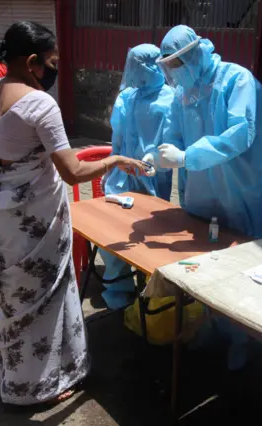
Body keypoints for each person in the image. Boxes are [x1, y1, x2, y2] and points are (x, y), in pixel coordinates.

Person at [0, 21, 148, 406]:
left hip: (3, 213)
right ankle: (36, 390)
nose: (54, 69)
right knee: (41, 305)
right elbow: (72, 171)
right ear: (31, 61)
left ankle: (14, 380)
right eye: (52, 61)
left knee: (15, 304)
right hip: (37, 223)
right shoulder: (40, 103)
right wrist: (113, 160)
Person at [154, 25, 262, 370]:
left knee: (242, 267)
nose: (173, 73)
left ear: (194, 54)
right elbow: (173, 133)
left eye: (176, 64)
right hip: (203, 192)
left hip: (242, 189)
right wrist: (159, 155)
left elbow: (240, 134)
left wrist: (186, 157)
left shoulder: (237, 81)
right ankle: (212, 323)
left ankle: (242, 338)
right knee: (206, 264)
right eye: (168, 66)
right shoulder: (185, 93)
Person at [98, 44, 174, 310]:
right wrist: (111, 169)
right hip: (121, 175)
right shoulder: (127, 97)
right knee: (113, 231)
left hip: (154, 177)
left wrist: (158, 161)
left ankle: (150, 286)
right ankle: (119, 290)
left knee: (148, 232)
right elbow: (117, 138)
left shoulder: (170, 99)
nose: (136, 74)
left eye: (141, 68)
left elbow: (172, 141)